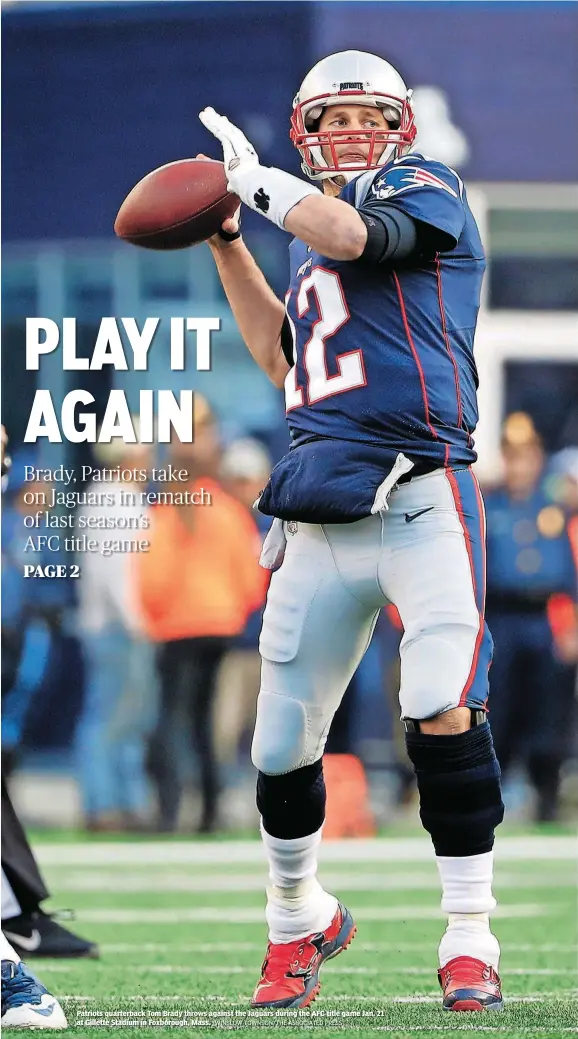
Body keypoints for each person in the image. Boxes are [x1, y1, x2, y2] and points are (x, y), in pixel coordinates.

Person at [198, 49, 504, 1012]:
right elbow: (279, 355)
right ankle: (297, 921)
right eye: (332, 120)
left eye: (368, 115)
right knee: (280, 742)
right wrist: (226, 239)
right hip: (322, 507)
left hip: (421, 494)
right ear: (306, 131)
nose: (352, 132)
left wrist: (255, 184)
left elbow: (351, 231)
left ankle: (469, 934)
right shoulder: (298, 235)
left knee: (439, 705)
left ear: (401, 125)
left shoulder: (425, 188)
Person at [138, 400, 268, 832]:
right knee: (204, 723)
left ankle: (171, 812)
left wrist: (156, 615)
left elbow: (151, 574)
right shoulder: (228, 510)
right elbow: (253, 580)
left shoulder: (169, 508)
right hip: (219, 626)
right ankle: (210, 813)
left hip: (177, 628)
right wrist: (229, 609)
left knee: (172, 720)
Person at [484, 414, 578, 821]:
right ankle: (494, 794)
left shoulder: (554, 507)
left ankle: (546, 796)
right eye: (512, 457)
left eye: (527, 456)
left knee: (548, 710)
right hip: (502, 617)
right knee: (498, 706)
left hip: (544, 619)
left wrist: (572, 626)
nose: (520, 465)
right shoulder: (490, 505)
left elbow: (570, 576)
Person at [74, 433, 157, 831]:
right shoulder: (112, 498)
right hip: (117, 629)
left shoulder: (121, 496)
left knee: (130, 720)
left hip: (123, 627)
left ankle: (127, 803)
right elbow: (115, 572)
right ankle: (103, 805)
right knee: (109, 718)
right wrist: (136, 621)